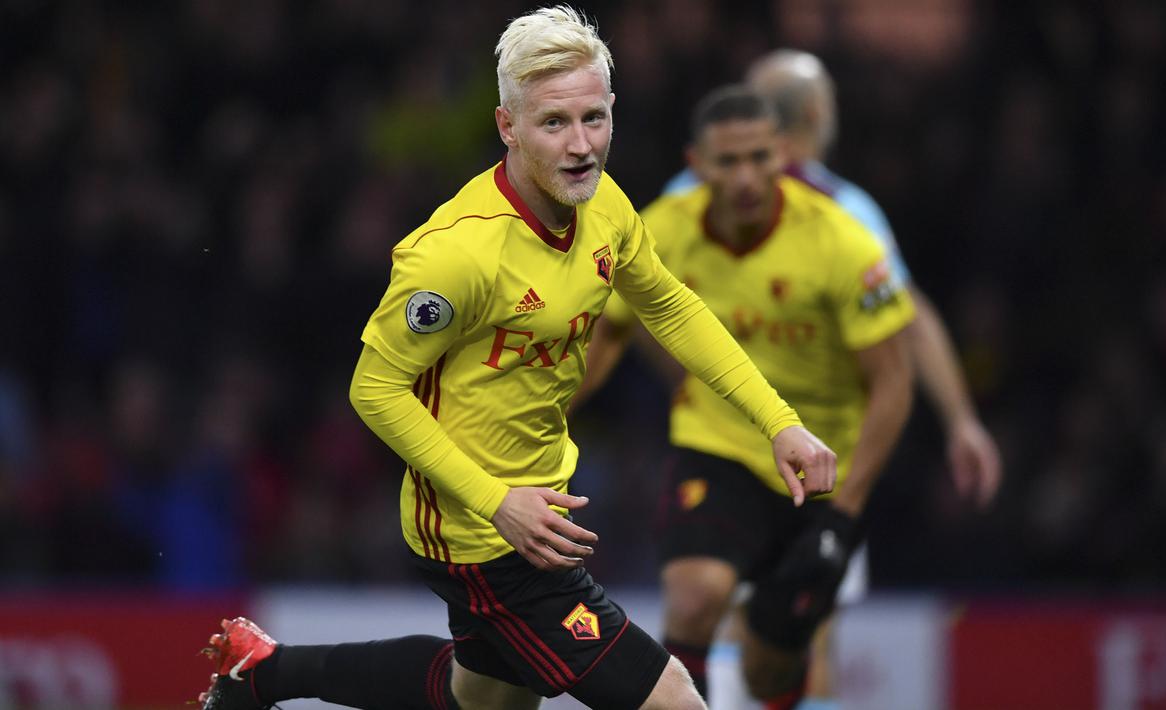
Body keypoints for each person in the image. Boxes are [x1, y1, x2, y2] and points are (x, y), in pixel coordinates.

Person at [195, 7, 840, 710]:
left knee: (480, 697)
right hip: (479, 531)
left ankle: (265, 673)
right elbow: (373, 389)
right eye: (553, 123)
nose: (580, 146)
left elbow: (671, 308)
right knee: (674, 702)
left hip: (539, 504)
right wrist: (497, 503)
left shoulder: (606, 207)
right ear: (508, 127)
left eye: (594, 118)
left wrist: (778, 422)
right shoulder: (457, 253)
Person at [580, 51, 1003, 710]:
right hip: (721, 445)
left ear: (781, 135)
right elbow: (627, 323)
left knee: (780, 656)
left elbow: (901, 331)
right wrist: (695, 383)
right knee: (696, 595)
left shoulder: (843, 223)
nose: (744, 172)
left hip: (820, 462)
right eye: (729, 157)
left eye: (758, 151)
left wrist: (954, 424)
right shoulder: (671, 220)